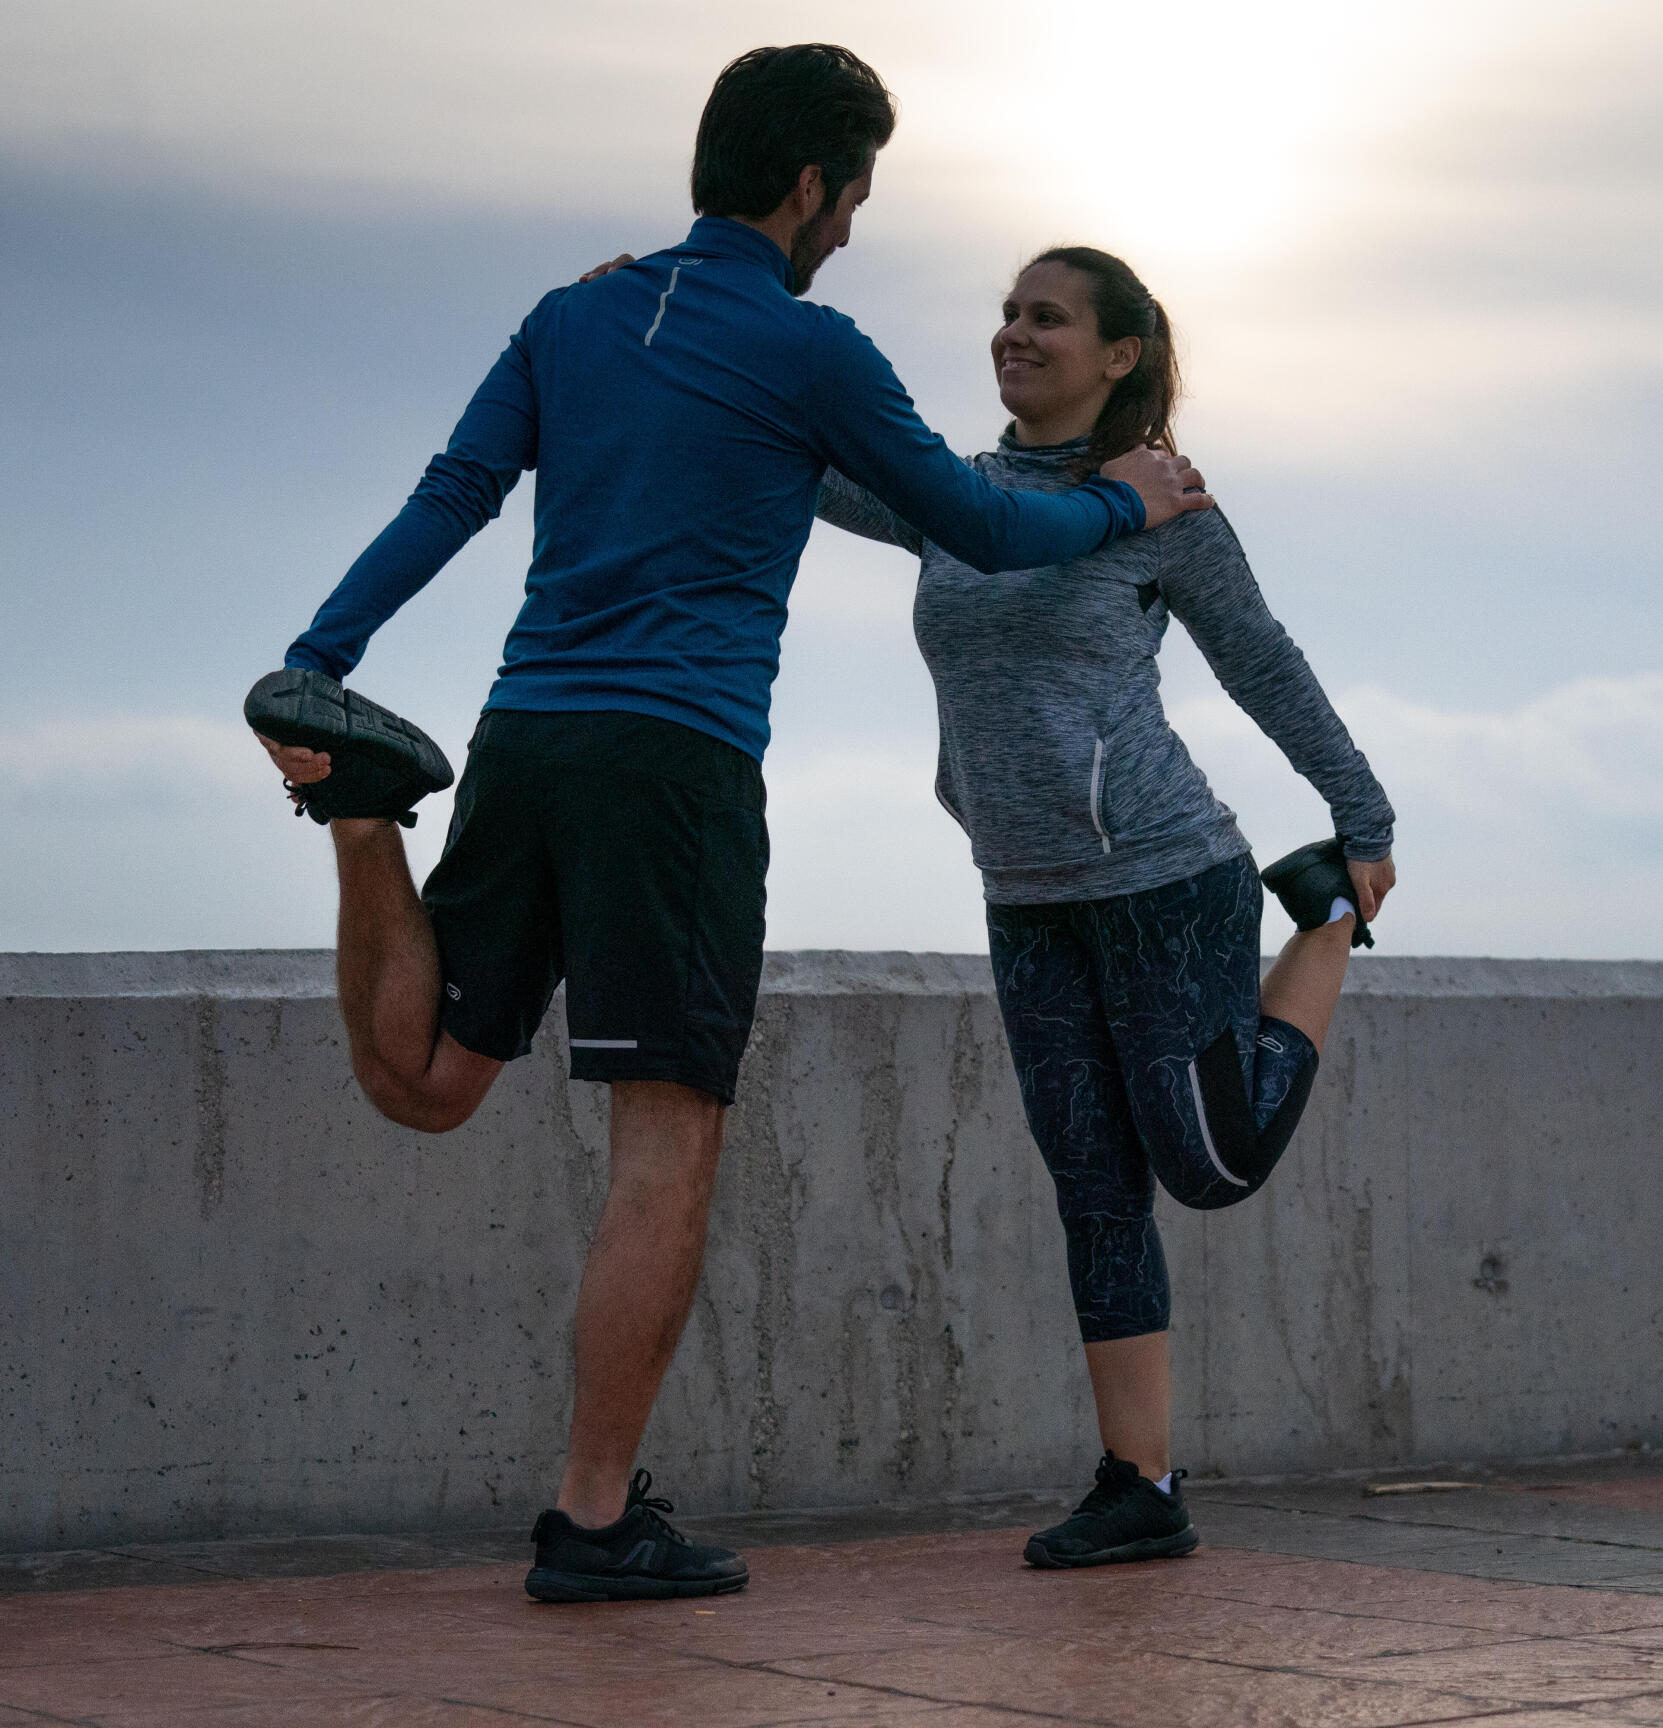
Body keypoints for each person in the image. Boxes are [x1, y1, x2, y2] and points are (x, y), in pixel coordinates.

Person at [244, 47, 1213, 1605]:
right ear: (813, 188)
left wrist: (321, 659)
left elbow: (453, 493)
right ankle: (592, 1515)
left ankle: (364, 820)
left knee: (425, 1080)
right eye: (856, 200)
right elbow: (986, 525)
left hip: (526, 734)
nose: (851, 231)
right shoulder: (813, 347)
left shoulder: (574, 314)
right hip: (678, 770)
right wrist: (1131, 503)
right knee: (667, 1145)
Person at [812, 246, 1397, 1569]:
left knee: (1213, 1163)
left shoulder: (1166, 508)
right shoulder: (953, 498)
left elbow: (1263, 662)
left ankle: (1321, 927)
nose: (1014, 333)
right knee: (1096, 1191)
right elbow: (797, 454)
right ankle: (1141, 1486)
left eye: (1048, 317)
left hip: (1162, 880)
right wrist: (669, 325)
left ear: (1119, 353)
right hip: (1024, 897)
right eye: (1008, 311)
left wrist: (1363, 821)